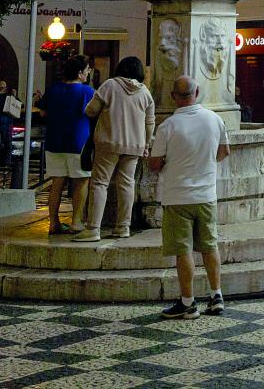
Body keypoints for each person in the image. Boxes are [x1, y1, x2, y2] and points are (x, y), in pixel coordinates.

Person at [149, 76, 230, 319]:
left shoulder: (168, 126)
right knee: (209, 245)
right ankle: (216, 296)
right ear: (198, 93)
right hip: (206, 194)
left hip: (177, 196)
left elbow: (154, 164)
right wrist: (203, 163)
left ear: (174, 96)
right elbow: (224, 151)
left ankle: (188, 302)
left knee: (183, 250)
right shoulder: (214, 119)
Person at [74, 56, 155, 242]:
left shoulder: (110, 85)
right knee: (127, 185)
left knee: (100, 183)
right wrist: (146, 144)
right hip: (134, 145)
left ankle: (93, 228)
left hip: (108, 142)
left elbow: (91, 110)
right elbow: (150, 122)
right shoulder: (145, 92)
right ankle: (123, 227)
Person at [35, 55, 95, 235]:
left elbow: (43, 112)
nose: (88, 72)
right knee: (81, 181)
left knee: (57, 183)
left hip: (54, 141)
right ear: (80, 73)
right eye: (87, 70)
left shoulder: (53, 89)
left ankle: (54, 222)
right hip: (78, 142)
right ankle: (76, 221)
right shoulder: (87, 92)